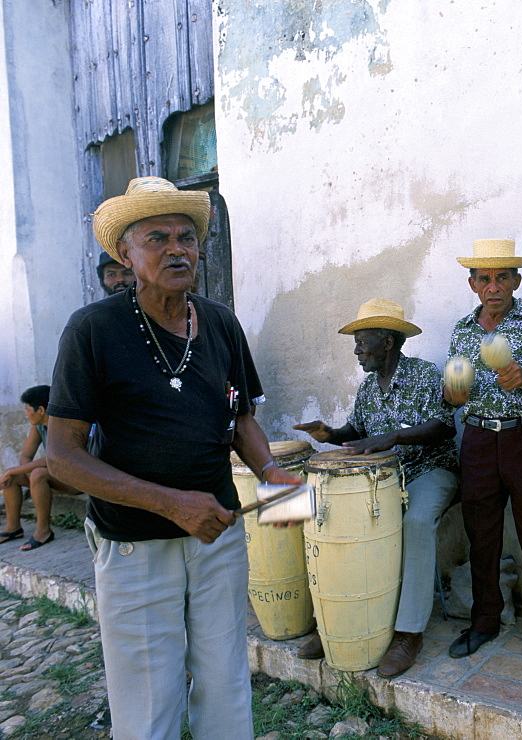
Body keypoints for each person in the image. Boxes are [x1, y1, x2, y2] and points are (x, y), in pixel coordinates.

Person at [45, 176, 300, 740]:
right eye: (156, 237)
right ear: (125, 254)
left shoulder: (221, 323)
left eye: (186, 236)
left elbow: (240, 417)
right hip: (134, 542)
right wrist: (170, 503)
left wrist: (269, 471)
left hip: (218, 535)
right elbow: (61, 457)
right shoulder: (93, 329)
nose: (176, 248)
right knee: (147, 697)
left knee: (226, 678)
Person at [293, 298, 460, 677]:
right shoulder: (369, 387)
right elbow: (358, 432)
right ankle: (343, 623)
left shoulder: (423, 374)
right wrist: (331, 434)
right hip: (384, 481)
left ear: (387, 342)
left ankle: (408, 634)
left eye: (361, 341)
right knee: (346, 525)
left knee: (416, 522)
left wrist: (394, 437)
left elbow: (444, 426)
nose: (356, 350)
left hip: (430, 471)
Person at [444, 238, 522, 664]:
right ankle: (484, 621)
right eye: (485, 279)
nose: (494, 286)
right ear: (472, 284)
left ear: (516, 281)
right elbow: (454, 396)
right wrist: (455, 391)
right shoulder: (462, 330)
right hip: (479, 442)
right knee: (481, 536)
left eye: (502, 277)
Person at [0, 385, 82, 550]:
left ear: (41, 410)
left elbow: (55, 457)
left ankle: (43, 531)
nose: (25, 414)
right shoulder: (38, 426)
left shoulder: (63, 425)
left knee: (35, 474)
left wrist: (16, 470)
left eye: (27, 409)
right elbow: (25, 456)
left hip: (76, 480)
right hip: (55, 475)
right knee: (13, 478)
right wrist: (27, 474)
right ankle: (13, 528)